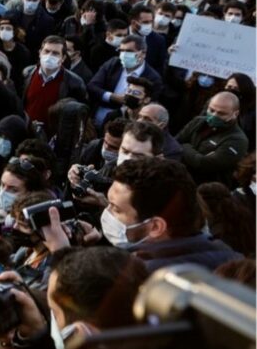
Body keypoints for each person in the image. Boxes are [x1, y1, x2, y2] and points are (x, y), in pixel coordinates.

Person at [105, 157, 241, 270]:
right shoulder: (222, 253)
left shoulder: (143, 279)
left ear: (156, 227)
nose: (107, 212)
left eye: (116, 209)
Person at [176, 91, 249, 185]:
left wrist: (185, 146)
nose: (214, 115)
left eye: (221, 113)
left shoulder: (238, 140)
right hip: (181, 178)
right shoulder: (198, 121)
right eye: (211, 110)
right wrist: (196, 156)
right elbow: (175, 144)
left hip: (204, 189)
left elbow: (203, 165)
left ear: (235, 114)